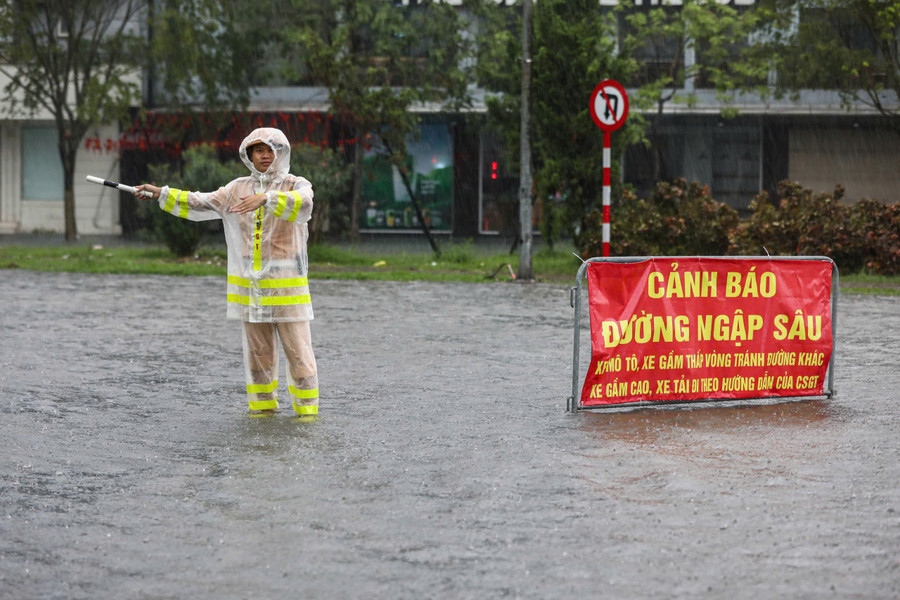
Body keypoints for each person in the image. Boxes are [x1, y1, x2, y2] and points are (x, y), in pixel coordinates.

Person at [135, 127, 318, 418]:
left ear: (281, 153)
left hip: (286, 289)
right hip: (251, 290)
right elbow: (200, 201)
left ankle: (307, 416)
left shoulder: (296, 184)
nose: (265, 155)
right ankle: (262, 413)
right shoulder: (236, 189)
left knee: (299, 353)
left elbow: (305, 206)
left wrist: (267, 199)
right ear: (249, 155)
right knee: (258, 355)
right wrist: (161, 193)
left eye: (271, 150)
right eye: (259, 150)